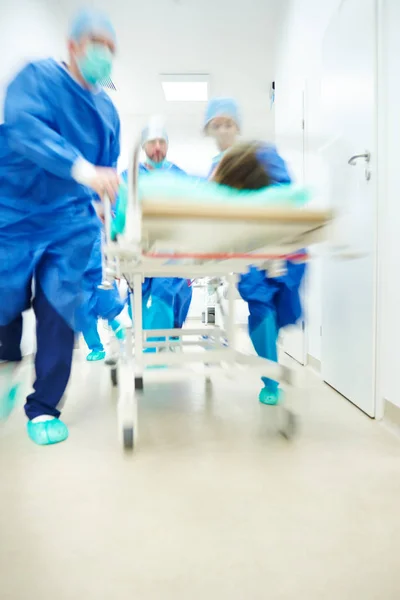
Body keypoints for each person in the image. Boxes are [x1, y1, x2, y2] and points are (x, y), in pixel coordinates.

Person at [0, 8, 121, 445]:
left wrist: (109, 203)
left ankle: (44, 406)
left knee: (58, 312)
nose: (103, 53)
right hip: (13, 212)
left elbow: (108, 170)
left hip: (69, 224)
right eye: (95, 42)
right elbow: (23, 129)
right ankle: (5, 365)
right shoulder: (35, 79)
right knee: (5, 302)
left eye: (110, 46)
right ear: (72, 45)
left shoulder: (107, 111)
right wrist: (81, 169)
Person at [204, 100, 305, 405]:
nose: (223, 129)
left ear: (238, 126)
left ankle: (271, 358)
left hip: (281, 241)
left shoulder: (261, 152)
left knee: (284, 304)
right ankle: (271, 379)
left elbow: (285, 190)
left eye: (228, 123)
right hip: (247, 250)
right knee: (260, 307)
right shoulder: (214, 168)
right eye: (216, 124)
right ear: (209, 129)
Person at [121, 122, 193, 347]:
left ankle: (161, 342)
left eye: (162, 142)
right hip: (138, 250)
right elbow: (118, 213)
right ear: (144, 146)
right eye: (152, 142)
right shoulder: (129, 176)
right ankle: (151, 341)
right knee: (140, 297)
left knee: (167, 289)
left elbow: (191, 215)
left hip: (171, 250)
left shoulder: (180, 177)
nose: (158, 147)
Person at [80, 231, 125, 362]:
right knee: (83, 310)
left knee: (106, 301)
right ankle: (96, 348)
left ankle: (115, 324)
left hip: (100, 269)